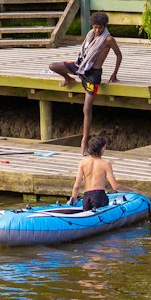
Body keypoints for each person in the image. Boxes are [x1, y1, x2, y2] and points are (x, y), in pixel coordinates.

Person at [49, 11, 122, 152]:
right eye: (95, 27)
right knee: (52, 66)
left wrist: (114, 74)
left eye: (100, 27)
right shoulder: (89, 35)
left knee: (87, 108)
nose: (97, 30)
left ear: (105, 26)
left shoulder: (108, 39)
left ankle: (84, 142)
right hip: (80, 66)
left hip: (93, 75)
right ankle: (69, 79)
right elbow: (84, 53)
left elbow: (119, 55)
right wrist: (73, 70)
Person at [69, 133, 119, 210]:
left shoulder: (82, 163)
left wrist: (73, 199)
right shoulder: (106, 164)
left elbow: (76, 186)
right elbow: (115, 186)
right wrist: (133, 190)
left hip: (86, 197)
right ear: (102, 149)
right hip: (99, 196)